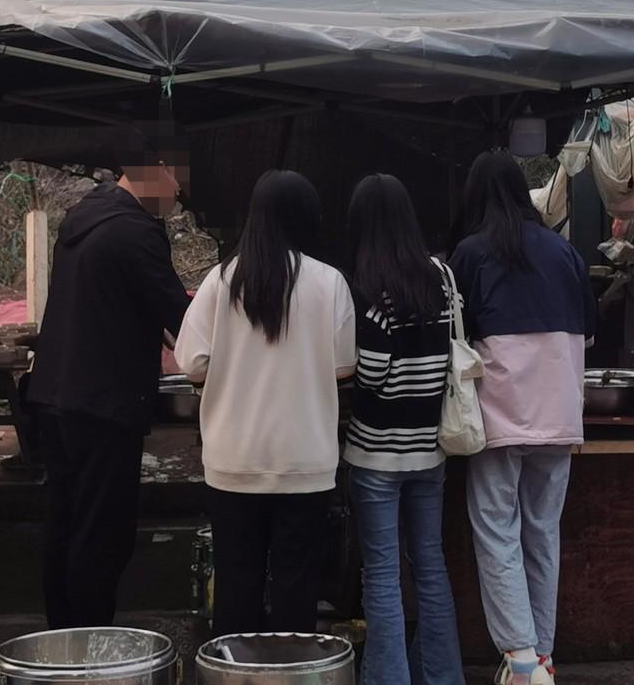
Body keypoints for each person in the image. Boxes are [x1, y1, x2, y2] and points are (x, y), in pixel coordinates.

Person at [175, 170, 356, 636]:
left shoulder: (222, 281)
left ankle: (236, 673)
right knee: (297, 588)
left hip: (234, 460)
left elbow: (191, 361)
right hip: (306, 461)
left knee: (237, 584)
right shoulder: (329, 282)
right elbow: (343, 367)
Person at [29, 128, 191, 628]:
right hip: (103, 405)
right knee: (103, 533)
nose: (180, 191)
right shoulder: (135, 231)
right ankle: (92, 649)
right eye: (177, 178)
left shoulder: (84, 216)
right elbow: (180, 317)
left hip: (54, 396)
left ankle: (59, 640)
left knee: (65, 523)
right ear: (154, 169)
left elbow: (121, 302)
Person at [449, 151, 596, 685]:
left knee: (496, 529)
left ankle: (521, 658)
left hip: (497, 411)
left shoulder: (469, 253)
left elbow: (455, 341)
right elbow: (589, 333)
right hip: (558, 409)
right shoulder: (566, 252)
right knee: (542, 529)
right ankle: (544, 655)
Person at [342, 174, 464, 685]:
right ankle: (443, 677)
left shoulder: (371, 284)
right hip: (429, 451)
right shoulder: (442, 275)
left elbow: (372, 372)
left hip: (375, 454)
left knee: (384, 576)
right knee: (431, 567)